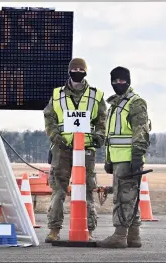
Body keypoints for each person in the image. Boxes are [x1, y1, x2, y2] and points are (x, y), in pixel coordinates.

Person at [43, 58, 107, 243]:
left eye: (81, 69)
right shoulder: (57, 95)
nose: (78, 71)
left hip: (86, 151)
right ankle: (54, 230)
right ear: (69, 71)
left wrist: (98, 137)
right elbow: (49, 119)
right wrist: (56, 137)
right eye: (75, 69)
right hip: (61, 150)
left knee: (87, 191)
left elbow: (102, 121)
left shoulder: (96, 96)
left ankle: (88, 229)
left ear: (86, 72)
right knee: (58, 192)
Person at [96, 66, 151, 248]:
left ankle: (119, 236)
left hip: (129, 159)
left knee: (123, 197)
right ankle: (134, 236)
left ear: (128, 81)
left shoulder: (135, 103)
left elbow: (141, 131)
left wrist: (137, 156)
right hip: (118, 159)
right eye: (115, 80)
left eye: (121, 80)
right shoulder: (115, 105)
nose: (118, 83)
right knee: (130, 197)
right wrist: (109, 160)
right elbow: (112, 137)